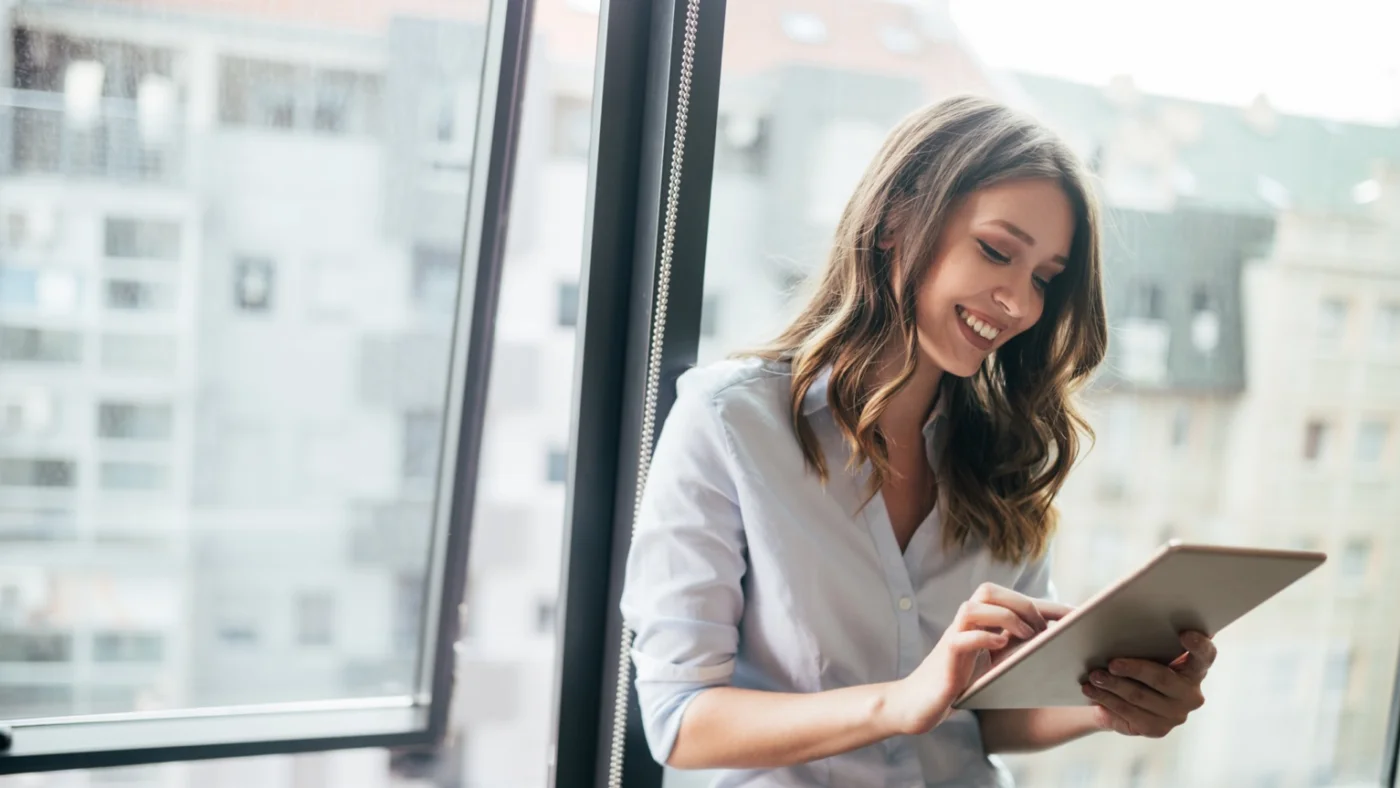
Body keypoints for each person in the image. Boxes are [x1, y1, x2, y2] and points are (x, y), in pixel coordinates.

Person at [619, 95, 1216, 786]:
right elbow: (681, 719)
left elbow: (989, 713)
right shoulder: (729, 423)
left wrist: (1111, 703)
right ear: (898, 218)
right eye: (996, 251)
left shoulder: (1007, 454)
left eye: (1045, 280)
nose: (1020, 304)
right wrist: (900, 702)